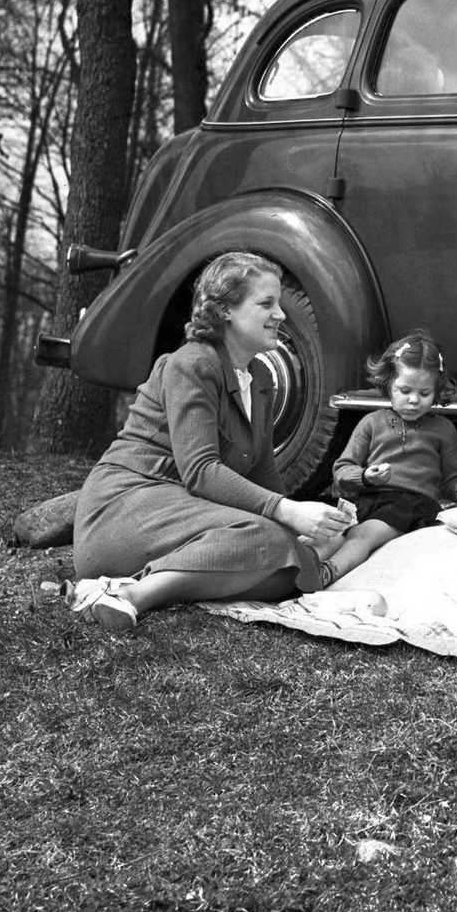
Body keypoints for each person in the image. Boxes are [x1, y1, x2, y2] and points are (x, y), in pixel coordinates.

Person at [66, 251, 352, 634]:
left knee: (293, 568)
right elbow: (201, 472)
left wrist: (302, 529)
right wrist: (285, 512)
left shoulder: (260, 380)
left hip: (183, 510)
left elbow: (263, 470)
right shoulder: (192, 363)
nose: (281, 315)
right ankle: (130, 595)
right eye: (266, 303)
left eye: (278, 304)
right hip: (126, 507)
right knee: (269, 540)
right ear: (225, 311)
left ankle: (155, 581)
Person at [313, 330, 457, 586]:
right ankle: (297, 568)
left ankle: (325, 574)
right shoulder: (371, 423)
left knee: (363, 535)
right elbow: (341, 471)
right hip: (369, 499)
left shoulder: (443, 429)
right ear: (388, 384)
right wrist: (365, 476)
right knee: (334, 535)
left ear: (437, 391)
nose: (413, 400)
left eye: (424, 393)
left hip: (412, 505)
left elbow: (449, 482)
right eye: (404, 390)